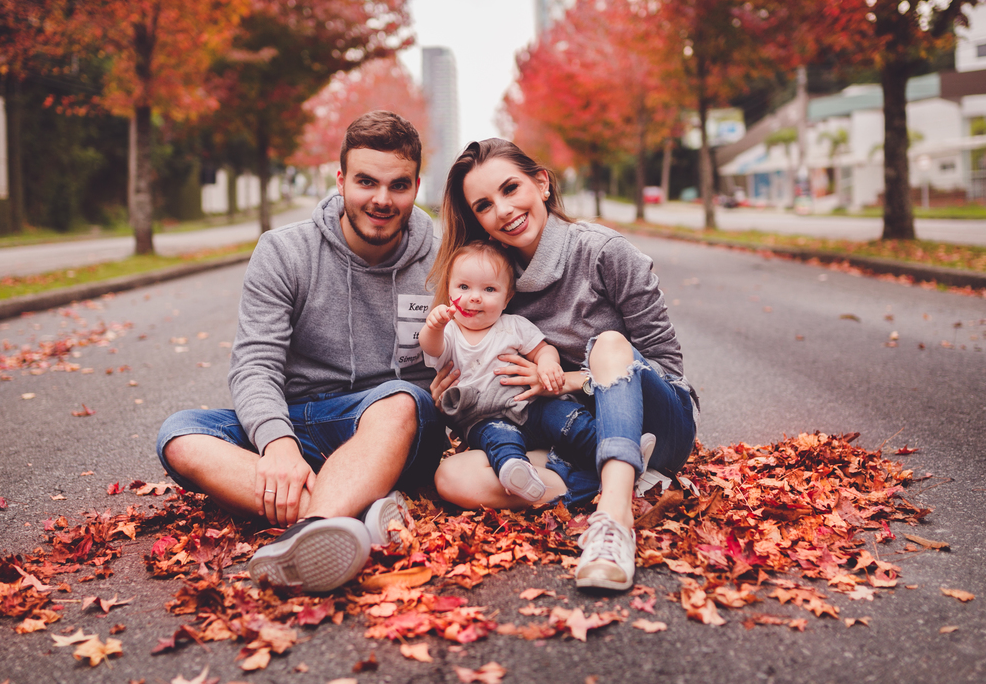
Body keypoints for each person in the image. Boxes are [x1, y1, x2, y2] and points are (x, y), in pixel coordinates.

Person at [155, 111, 448, 593]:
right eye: (366, 182)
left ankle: (309, 531)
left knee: (399, 402)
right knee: (181, 435)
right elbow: (255, 365)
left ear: (416, 186)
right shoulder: (284, 252)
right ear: (340, 181)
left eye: (398, 185)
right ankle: (356, 512)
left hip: (394, 426)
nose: (381, 199)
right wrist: (279, 445)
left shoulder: (441, 258)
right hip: (304, 423)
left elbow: (469, 350)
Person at [430, 138, 698, 592]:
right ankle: (625, 480)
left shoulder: (605, 252)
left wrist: (569, 378)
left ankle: (613, 524)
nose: (503, 209)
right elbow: (480, 388)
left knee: (608, 343)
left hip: (655, 426)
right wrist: (451, 396)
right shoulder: (487, 284)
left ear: (542, 183)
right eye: (484, 204)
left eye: (511, 188)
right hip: (567, 437)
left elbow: (667, 367)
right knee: (453, 476)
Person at [419, 240, 565, 503]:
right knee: (500, 440)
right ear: (449, 291)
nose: (475, 297)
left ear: (507, 297)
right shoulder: (450, 332)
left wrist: (547, 364)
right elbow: (432, 348)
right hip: (485, 418)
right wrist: (434, 326)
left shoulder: (514, 326)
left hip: (530, 405)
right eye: (463, 287)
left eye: (489, 289)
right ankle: (515, 471)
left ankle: (609, 445)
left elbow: (542, 349)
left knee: (569, 419)